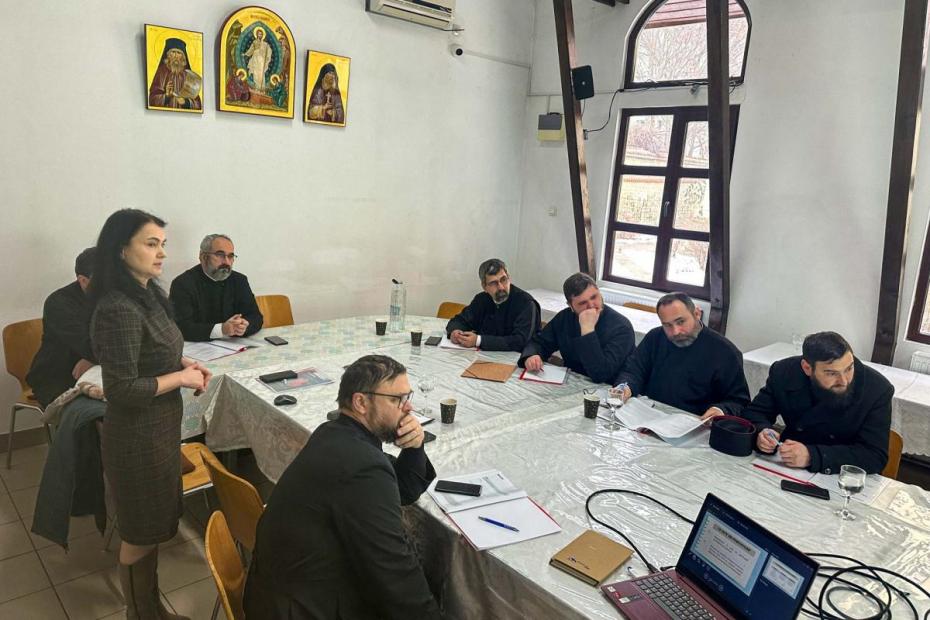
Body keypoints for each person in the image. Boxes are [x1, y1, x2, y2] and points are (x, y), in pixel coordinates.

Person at [245, 355, 441, 619]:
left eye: (407, 397)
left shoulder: (335, 432)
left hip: (281, 591)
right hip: (301, 608)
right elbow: (393, 569)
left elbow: (402, 490)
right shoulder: (361, 465)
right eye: (397, 399)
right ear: (361, 402)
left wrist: (415, 446)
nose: (408, 408)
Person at [90, 209, 211, 619]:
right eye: (151, 244)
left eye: (163, 244)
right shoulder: (118, 307)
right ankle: (141, 614)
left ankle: (151, 610)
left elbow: (157, 350)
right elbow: (121, 389)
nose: (162, 253)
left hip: (158, 432)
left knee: (152, 528)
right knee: (139, 534)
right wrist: (180, 378)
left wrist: (186, 363)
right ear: (121, 250)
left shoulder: (147, 295)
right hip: (136, 438)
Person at [28, 248, 109, 548]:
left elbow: (129, 334)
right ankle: (83, 499)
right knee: (84, 422)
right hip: (56, 375)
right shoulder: (59, 302)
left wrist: (93, 358)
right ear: (82, 280)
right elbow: (91, 342)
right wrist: (93, 354)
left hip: (95, 370)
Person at [740, 331, 892, 475]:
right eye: (831, 373)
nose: (844, 381)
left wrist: (813, 456)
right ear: (807, 368)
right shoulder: (784, 372)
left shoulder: (877, 389)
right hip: (787, 464)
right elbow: (755, 413)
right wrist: (762, 433)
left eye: (849, 369)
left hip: (841, 472)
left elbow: (874, 455)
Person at [614, 292, 750, 420]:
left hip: (695, 423)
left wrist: (720, 410)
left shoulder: (725, 352)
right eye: (667, 325)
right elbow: (633, 371)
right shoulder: (655, 337)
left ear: (697, 314)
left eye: (680, 322)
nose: (675, 332)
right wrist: (625, 387)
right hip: (649, 415)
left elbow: (739, 401)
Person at [519, 273, 635, 383]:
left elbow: (601, 374)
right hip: (571, 382)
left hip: (609, 389)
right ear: (571, 306)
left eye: (594, 297)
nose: (591, 305)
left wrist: (587, 330)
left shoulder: (621, 327)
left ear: (599, 292)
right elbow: (540, 342)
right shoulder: (564, 318)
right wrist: (532, 355)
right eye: (582, 303)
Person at [169, 234, 263, 342]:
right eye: (220, 255)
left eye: (230, 256)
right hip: (197, 348)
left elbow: (256, 317)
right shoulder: (182, 284)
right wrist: (221, 330)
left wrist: (244, 326)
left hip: (234, 345)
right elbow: (181, 327)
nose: (227, 262)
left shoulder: (239, 280)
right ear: (203, 257)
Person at [445, 258, 540, 352]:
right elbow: (459, 320)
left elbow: (520, 341)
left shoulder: (526, 303)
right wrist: (455, 332)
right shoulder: (481, 299)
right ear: (484, 287)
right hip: (483, 355)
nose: (501, 287)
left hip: (517, 358)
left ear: (509, 277)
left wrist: (478, 341)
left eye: (503, 279)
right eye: (494, 283)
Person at [148, 38, 202, 110]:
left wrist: (186, 102)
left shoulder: (187, 75)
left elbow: (198, 104)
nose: (176, 56)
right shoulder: (161, 72)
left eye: (179, 53)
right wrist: (166, 96)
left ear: (183, 57)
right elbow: (152, 100)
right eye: (173, 52)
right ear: (168, 55)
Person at [245, 27, 272, 92]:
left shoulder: (265, 44)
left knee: (261, 73)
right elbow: (251, 50)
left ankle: (262, 88)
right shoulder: (254, 42)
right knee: (255, 73)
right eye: (259, 34)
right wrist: (245, 54)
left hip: (261, 60)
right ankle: (257, 87)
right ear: (256, 34)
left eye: (261, 34)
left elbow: (269, 50)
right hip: (255, 59)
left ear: (263, 35)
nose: (260, 35)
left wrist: (267, 55)